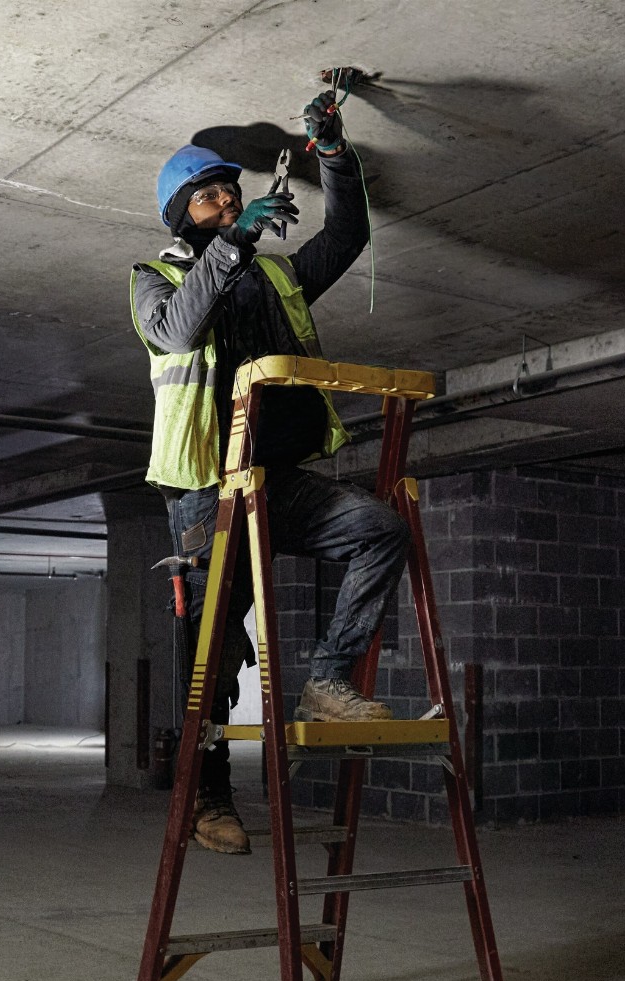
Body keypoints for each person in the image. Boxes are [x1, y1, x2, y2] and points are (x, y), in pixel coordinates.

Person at [130, 93, 412, 855]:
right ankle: (208, 798)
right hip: (209, 490)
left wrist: (333, 154)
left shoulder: (277, 277)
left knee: (381, 530)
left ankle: (328, 681)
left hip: (276, 478)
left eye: (232, 193)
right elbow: (176, 331)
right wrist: (233, 243)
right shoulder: (154, 278)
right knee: (212, 654)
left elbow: (346, 236)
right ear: (182, 215)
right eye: (209, 198)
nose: (227, 202)